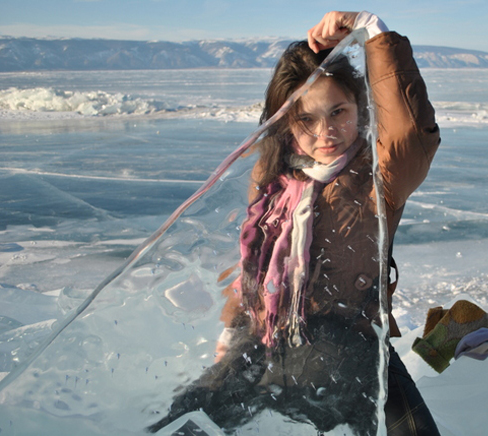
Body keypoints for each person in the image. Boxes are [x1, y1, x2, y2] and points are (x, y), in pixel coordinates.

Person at [149, 11, 441, 436]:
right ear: (287, 120)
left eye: (338, 111)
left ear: (359, 107)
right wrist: (232, 336)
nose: (326, 131)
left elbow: (410, 134)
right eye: (307, 118)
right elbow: (253, 264)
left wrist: (373, 33)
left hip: (348, 347)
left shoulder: (378, 177)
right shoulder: (274, 178)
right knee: (184, 418)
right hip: (264, 337)